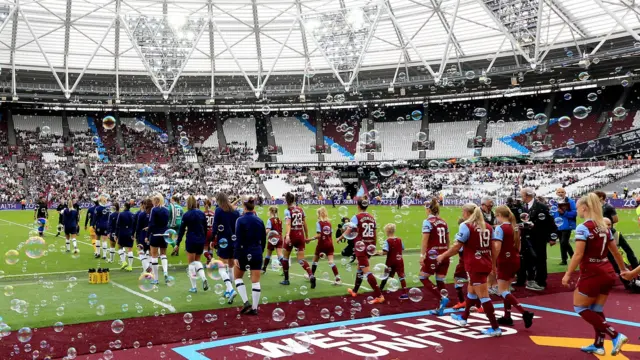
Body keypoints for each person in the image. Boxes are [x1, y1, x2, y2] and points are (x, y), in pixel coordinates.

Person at [562, 193, 628, 356]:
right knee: (596, 309)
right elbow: (616, 252)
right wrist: (623, 270)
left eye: (577, 207)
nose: (576, 210)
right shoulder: (605, 226)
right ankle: (598, 344)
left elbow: (578, 255)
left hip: (592, 271)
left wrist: (568, 274)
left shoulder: (583, 227)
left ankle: (615, 335)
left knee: (580, 307)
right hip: (607, 270)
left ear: (584, 208)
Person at [436, 203, 501, 337]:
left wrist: (443, 256)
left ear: (466, 212)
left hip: (474, 265)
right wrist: (494, 265)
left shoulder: (466, 226)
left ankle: (495, 327)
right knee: (471, 291)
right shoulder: (488, 227)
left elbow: (456, 247)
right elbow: (493, 248)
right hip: (485, 263)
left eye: (462, 211)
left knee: (484, 297)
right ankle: (464, 317)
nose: (462, 214)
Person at [492, 205, 534, 328]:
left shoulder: (500, 228)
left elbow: (497, 247)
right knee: (507, 288)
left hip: (504, 260)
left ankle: (524, 312)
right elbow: (519, 246)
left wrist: (492, 260)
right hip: (514, 259)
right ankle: (507, 316)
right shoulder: (515, 227)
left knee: (502, 290)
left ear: (499, 215)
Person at [337, 196, 384, 305]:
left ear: (358, 206)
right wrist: (373, 246)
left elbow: (349, 230)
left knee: (366, 271)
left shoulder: (356, 217)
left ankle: (379, 295)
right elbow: (375, 234)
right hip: (370, 245)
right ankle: (355, 291)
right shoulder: (372, 217)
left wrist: (340, 237)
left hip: (360, 247)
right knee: (360, 268)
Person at [595, 191, 639, 288]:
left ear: (601, 197)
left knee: (625, 252)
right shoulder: (595, 208)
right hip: (601, 234)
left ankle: (635, 273)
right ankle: (627, 280)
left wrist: (607, 225)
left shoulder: (608, 207)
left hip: (612, 233)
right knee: (612, 257)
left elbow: (615, 219)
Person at [518, 187, 558, 291]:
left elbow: (550, 223)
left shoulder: (541, 207)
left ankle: (541, 282)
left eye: (522, 195)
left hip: (539, 237)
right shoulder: (524, 207)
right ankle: (531, 279)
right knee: (527, 259)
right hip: (526, 238)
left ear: (527, 196)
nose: (521, 197)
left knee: (540, 259)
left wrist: (552, 237)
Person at [233, 195, 265, 315]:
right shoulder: (260, 220)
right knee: (256, 281)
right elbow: (263, 239)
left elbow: (238, 239)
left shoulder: (240, 220)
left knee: (237, 277)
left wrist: (236, 255)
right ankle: (255, 308)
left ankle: (246, 302)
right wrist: (260, 251)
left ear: (244, 206)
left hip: (243, 252)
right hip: (256, 252)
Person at [419, 197, 450, 315]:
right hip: (444, 254)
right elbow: (448, 240)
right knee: (440, 280)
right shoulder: (443, 222)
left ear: (428, 210)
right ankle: (440, 308)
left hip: (433, 255)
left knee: (423, 277)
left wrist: (422, 255)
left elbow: (424, 240)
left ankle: (442, 298)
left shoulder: (427, 222)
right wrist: (447, 253)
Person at [173, 196, 209, 293]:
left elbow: (181, 231)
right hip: (200, 240)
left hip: (191, 240)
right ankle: (204, 278)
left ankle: (194, 287)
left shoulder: (186, 215)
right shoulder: (201, 213)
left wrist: (177, 243)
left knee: (191, 264)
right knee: (198, 261)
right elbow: (205, 228)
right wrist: (203, 239)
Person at [281, 192, 315, 288]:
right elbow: (305, 224)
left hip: (292, 234)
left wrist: (287, 235)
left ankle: (286, 279)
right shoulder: (301, 210)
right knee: (301, 259)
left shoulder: (288, 211)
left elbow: (288, 224)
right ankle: (311, 275)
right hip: (300, 234)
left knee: (285, 258)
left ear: (287, 201)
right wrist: (307, 236)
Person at [212, 192, 240, 303]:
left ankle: (230, 289)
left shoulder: (218, 211)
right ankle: (229, 291)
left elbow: (215, 227)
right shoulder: (235, 212)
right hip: (234, 241)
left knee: (221, 267)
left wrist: (212, 239)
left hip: (223, 241)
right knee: (231, 267)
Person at [307, 207, 341, 284]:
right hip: (329, 244)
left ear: (319, 214)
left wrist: (310, 239)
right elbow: (330, 235)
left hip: (322, 244)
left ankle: (311, 276)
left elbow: (319, 235)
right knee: (331, 262)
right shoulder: (329, 223)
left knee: (315, 260)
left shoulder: (318, 223)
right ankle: (338, 278)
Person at [145, 194, 170, 285]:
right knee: (163, 254)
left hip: (155, 234)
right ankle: (166, 273)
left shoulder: (154, 210)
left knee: (154, 256)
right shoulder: (166, 210)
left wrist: (147, 235)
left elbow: (151, 223)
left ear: (155, 201)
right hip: (165, 234)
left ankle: (156, 278)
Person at [379, 223, 408, 300]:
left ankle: (379, 291)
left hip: (390, 261)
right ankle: (405, 293)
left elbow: (385, 252)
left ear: (387, 231)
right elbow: (402, 248)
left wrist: (378, 252)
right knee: (401, 276)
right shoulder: (399, 239)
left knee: (386, 275)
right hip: (399, 260)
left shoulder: (387, 241)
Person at [553, 188, 577, 266]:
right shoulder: (554, 203)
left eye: (562, 192)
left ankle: (573, 257)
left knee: (564, 242)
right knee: (563, 242)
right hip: (558, 225)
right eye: (559, 192)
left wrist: (564, 213)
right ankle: (564, 260)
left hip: (567, 225)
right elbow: (553, 213)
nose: (560, 193)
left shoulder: (570, 201)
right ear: (556, 193)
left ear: (565, 193)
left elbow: (574, 213)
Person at [262, 206, 284, 274]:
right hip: (280, 237)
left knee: (268, 254)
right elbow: (281, 229)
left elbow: (268, 229)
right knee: (280, 254)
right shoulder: (280, 219)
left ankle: (264, 268)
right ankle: (285, 268)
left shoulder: (270, 220)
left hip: (272, 238)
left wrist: (262, 235)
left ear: (271, 211)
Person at [115, 202, 135, 272]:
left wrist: (116, 235)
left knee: (120, 246)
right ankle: (130, 266)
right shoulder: (132, 214)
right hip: (130, 233)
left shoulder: (121, 214)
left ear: (125, 206)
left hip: (122, 232)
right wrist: (133, 233)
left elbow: (117, 225)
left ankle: (124, 262)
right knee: (130, 249)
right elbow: (134, 225)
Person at [134, 199, 152, 274]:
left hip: (142, 234)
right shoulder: (153, 213)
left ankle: (147, 267)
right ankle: (147, 270)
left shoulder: (141, 214)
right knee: (149, 252)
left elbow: (138, 226)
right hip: (151, 234)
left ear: (144, 205)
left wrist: (135, 234)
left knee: (141, 251)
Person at [94, 196, 110, 260]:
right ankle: (104, 255)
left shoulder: (97, 208)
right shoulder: (107, 209)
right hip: (105, 225)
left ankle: (97, 253)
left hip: (98, 225)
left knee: (97, 239)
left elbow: (95, 217)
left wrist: (93, 225)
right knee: (104, 240)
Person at [202, 199, 215, 264]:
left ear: (204, 205)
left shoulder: (203, 213)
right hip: (213, 231)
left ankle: (210, 258)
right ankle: (209, 262)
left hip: (206, 232)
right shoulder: (213, 213)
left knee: (204, 250)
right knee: (211, 247)